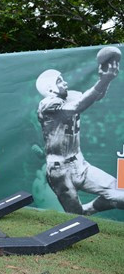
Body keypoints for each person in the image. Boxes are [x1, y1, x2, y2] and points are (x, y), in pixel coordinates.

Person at [36, 47, 124, 215]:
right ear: (50, 89)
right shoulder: (46, 105)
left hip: (79, 163)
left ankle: (89, 209)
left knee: (118, 191)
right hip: (59, 170)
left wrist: (106, 79)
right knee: (76, 220)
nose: (65, 83)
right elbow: (78, 106)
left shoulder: (69, 95)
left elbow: (94, 96)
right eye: (60, 81)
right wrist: (103, 81)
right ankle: (81, 215)